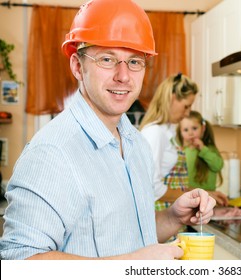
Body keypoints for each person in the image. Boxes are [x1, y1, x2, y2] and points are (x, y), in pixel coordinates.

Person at [0, 0, 215, 260]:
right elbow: (18, 262)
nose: (123, 76)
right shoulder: (51, 153)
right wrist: (130, 264)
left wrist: (173, 217)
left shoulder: (137, 144)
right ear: (78, 67)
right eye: (107, 59)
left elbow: (130, 236)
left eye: (135, 61)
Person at [139, 73, 198, 210]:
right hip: (158, 211)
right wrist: (194, 198)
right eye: (186, 106)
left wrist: (204, 194)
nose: (188, 113)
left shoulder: (168, 130)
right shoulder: (155, 132)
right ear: (172, 98)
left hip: (167, 209)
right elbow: (152, 187)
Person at [177, 111, 229, 206]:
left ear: (203, 128)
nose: (191, 133)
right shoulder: (182, 152)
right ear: (180, 132)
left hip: (209, 199)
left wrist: (203, 149)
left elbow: (218, 165)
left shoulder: (209, 149)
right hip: (189, 199)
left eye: (194, 128)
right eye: (185, 130)